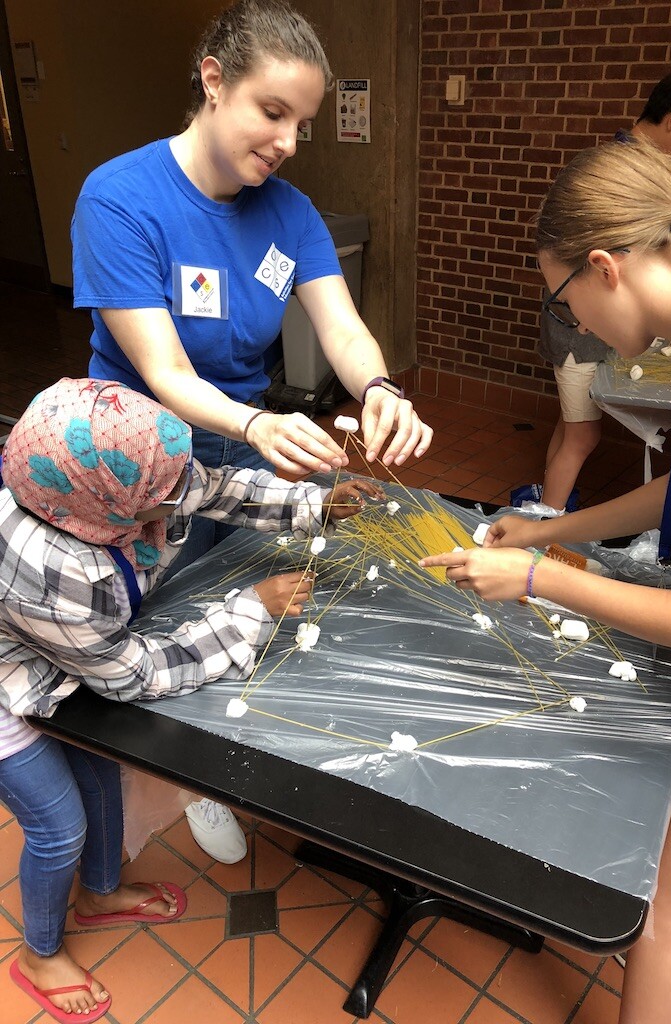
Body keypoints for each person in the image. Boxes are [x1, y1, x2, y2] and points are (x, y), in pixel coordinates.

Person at [71, 0, 431, 858]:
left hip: (245, 440)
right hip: (141, 460)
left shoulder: (290, 212)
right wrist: (259, 424)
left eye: (302, 123)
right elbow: (163, 374)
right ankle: (189, 778)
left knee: (252, 602)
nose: (288, 141)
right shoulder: (119, 199)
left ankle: (232, 749)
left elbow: (340, 329)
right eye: (273, 113)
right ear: (213, 81)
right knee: (159, 615)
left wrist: (380, 385)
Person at [421, 137, 671, 1024]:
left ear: (607, 269)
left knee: (657, 905)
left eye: (565, 301)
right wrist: (557, 529)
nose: (573, 324)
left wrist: (537, 575)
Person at [0, 376, 379, 1022]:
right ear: (99, 508)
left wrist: (313, 506)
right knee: (58, 827)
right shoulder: (50, 569)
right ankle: (38, 953)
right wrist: (249, 613)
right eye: (161, 492)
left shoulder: (117, 480)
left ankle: (98, 893)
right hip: (12, 693)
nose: (178, 493)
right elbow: (131, 676)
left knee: (97, 777)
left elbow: (212, 488)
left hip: (63, 666)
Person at [511, 67, 671, 515]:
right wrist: (546, 541)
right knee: (579, 432)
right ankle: (547, 512)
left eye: (569, 301)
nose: (583, 323)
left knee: (577, 432)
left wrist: (537, 566)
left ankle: (547, 513)